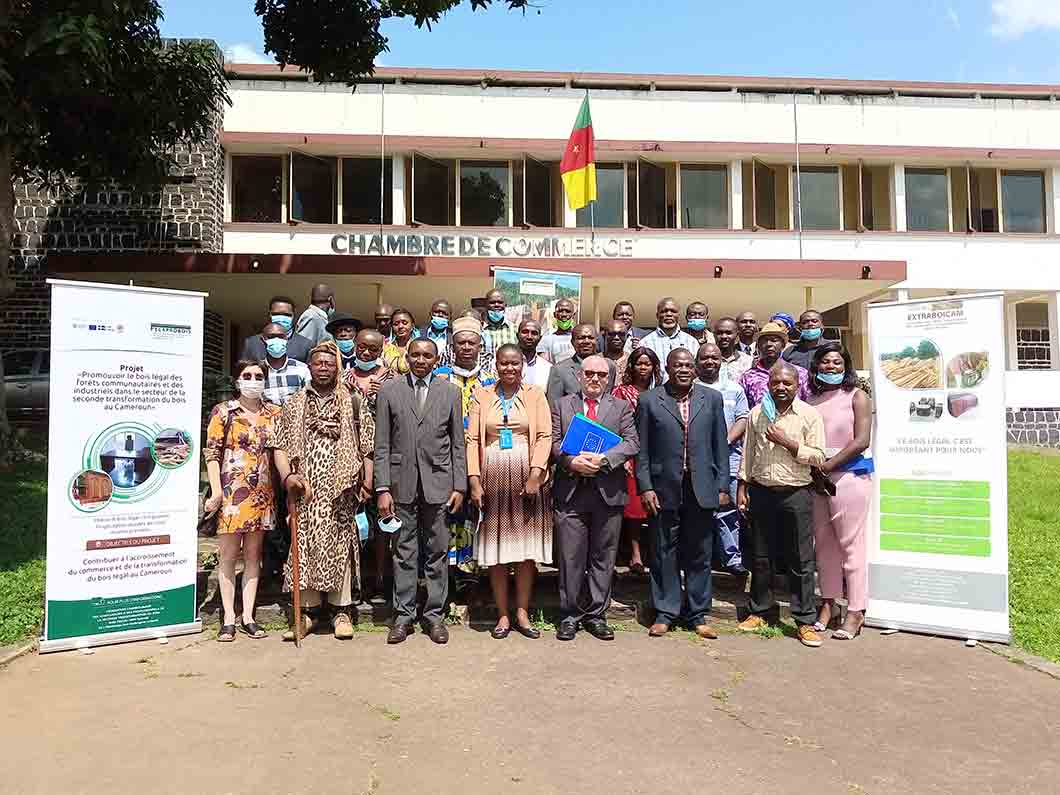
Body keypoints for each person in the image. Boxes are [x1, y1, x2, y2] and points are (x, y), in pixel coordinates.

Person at [273, 342, 374, 641]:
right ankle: (307, 613)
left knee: (340, 547)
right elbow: (279, 445)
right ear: (310, 366)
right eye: (318, 363)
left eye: (330, 363)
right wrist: (288, 476)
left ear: (337, 366)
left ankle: (341, 612)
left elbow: (368, 445)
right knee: (304, 546)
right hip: (306, 489)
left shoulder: (353, 399)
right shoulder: (294, 403)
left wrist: (367, 481)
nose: (324, 367)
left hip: (342, 488)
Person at [375, 338, 466, 645]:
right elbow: (382, 444)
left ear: (436, 359)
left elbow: (457, 444)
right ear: (407, 357)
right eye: (415, 354)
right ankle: (403, 617)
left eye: (427, 355)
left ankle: (435, 617)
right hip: (401, 486)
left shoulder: (451, 392)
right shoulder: (390, 390)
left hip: (439, 485)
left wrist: (459, 485)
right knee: (403, 553)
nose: (421, 360)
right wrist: (382, 487)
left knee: (437, 553)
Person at [636, 348, 729, 639]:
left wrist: (723, 485)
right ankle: (665, 612)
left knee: (700, 552)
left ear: (696, 368)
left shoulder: (711, 399)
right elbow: (642, 450)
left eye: (689, 365)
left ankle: (698, 614)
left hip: (701, 487)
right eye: (678, 365)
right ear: (667, 367)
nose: (684, 370)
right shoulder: (649, 400)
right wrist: (646, 486)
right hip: (663, 488)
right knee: (664, 551)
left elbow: (720, 446)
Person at [736, 362, 827, 648]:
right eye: (776, 382)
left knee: (800, 560)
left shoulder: (809, 414)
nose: (781, 387)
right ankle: (760, 611)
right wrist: (743, 486)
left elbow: (819, 456)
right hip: (761, 492)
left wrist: (788, 442)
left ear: (797, 384)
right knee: (761, 557)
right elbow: (748, 453)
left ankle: (804, 620)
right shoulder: (757, 414)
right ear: (769, 384)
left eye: (787, 383)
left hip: (795, 494)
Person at [467, 344, 553, 640]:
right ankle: (503, 614)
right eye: (504, 363)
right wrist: (474, 481)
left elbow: (544, 435)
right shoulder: (482, 394)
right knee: (498, 549)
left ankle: (522, 612)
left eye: (515, 363)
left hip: (526, 476)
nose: (509, 368)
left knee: (526, 550)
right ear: (496, 365)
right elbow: (472, 438)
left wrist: (536, 474)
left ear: (522, 366)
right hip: (492, 475)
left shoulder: (534, 395)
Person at [551, 355, 639, 641]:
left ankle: (597, 615)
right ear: (579, 375)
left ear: (609, 378)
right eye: (589, 373)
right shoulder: (562, 405)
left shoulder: (622, 407)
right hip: (572, 492)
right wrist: (570, 461)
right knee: (571, 557)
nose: (595, 379)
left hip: (607, 493)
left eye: (602, 375)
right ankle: (570, 615)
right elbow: (552, 442)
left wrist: (604, 459)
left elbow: (632, 442)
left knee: (603, 557)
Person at [204, 359, 281, 642]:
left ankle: (248, 615)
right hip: (230, 494)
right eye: (247, 375)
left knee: (253, 556)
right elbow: (211, 454)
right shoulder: (223, 412)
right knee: (227, 556)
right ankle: (227, 618)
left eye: (258, 376)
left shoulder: (273, 413)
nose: (253, 380)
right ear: (238, 380)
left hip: (262, 494)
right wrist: (215, 492)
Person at [806, 343, 872, 640]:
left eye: (836, 362)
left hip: (848, 476)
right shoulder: (811, 399)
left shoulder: (857, 396)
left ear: (845, 365)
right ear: (816, 367)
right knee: (824, 546)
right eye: (825, 362)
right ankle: (829, 604)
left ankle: (856, 610)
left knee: (851, 545)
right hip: (816, 480)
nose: (830, 367)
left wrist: (829, 465)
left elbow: (861, 440)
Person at [343, 328, 396, 600]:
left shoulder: (392, 377)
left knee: (382, 522)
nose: (366, 352)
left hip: (383, 456)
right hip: (347, 458)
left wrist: (385, 393)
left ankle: (380, 578)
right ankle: (351, 580)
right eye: (362, 347)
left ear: (381, 350)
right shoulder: (342, 376)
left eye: (373, 349)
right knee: (349, 520)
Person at [695, 344, 749, 576]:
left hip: (729, 456)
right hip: (696, 458)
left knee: (728, 508)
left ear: (721, 361)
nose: (710, 362)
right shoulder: (690, 388)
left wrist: (722, 442)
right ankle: (701, 557)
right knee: (699, 508)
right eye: (705, 358)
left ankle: (732, 558)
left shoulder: (734, 389)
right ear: (698, 361)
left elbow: (742, 419)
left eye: (714, 358)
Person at [611, 347, 662, 576]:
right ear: (631, 366)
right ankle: (635, 552)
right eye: (639, 363)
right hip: (628, 454)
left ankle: (654, 551)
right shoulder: (621, 392)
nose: (643, 368)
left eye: (647, 364)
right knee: (633, 508)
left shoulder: (661, 392)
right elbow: (613, 423)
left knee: (655, 505)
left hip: (655, 453)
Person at [739, 320, 809, 408]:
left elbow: (807, 404)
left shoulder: (800, 373)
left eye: (774, 340)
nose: (769, 344)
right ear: (758, 346)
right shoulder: (748, 376)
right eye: (764, 341)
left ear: (783, 345)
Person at [545, 323, 616, 406]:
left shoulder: (608, 366)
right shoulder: (559, 370)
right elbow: (554, 406)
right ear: (572, 342)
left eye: (591, 338)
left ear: (597, 341)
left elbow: (608, 399)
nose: (586, 341)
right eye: (581, 338)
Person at [639, 297, 700, 381]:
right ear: (657, 315)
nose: (668, 314)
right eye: (664, 311)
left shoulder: (692, 342)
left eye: (673, 311)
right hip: (655, 392)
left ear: (678, 315)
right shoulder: (645, 343)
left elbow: (697, 371)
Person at [241, 295, 314, 363]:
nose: (281, 318)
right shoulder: (252, 343)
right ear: (269, 315)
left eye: (287, 315)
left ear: (293, 316)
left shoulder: (306, 345)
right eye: (276, 314)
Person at [261, 322, 311, 406]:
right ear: (263, 339)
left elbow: (310, 398)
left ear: (287, 339)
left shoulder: (302, 369)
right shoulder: (257, 371)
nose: (276, 340)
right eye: (271, 337)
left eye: (281, 337)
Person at [537, 297, 577, 364]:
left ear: (573, 315)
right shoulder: (546, 340)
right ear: (555, 315)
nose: (564, 314)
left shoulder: (580, 338)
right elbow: (544, 365)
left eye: (568, 311)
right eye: (561, 311)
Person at [713, 316, 753, 384]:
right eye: (719, 333)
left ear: (737, 334)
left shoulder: (749, 361)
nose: (724, 336)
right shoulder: (708, 360)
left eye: (728, 333)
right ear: (714, 334)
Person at [517, 318, 552, 388]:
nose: (529, 337)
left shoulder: (548, 368)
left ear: (540, 338)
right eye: (525, 332)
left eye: (534, 333)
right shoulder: (504, 364)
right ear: (517, 335)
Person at [482, 288, 518, 353]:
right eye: (492, 302)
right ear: (486, 305)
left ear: (505, 305)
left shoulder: (515, 330)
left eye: (500, 302)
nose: (496, 305)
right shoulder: (480, 329)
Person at [383, 308, 417, 375]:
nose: (400, 326)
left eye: (405, 323)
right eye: (396, 324)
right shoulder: (385, 348)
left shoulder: (419, 347)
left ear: (412, 326)